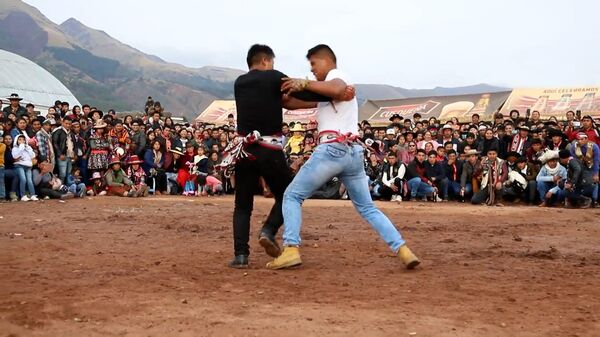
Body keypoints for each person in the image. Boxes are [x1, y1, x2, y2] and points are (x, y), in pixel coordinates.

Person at [268, 44, 419, 270]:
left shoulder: (337, 76)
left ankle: (291, 249)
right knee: (368, 208)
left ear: (326, 61)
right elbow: (292, 103)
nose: (312, 71)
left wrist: (305, 82)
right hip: (352, 153)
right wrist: (282, 91)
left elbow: (337, 89)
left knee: (292, 196)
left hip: (332, 150)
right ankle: (404, 250)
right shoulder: (326, 92)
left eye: (313, 65)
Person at [225, 44, 352, 268]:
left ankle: (241, 256)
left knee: (242, 205)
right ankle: (268, 229)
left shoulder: (239, 83)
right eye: (272, 63)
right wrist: (336, 95)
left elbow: (281, 101)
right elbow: (304, 91)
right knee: (290, 195)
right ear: (266, 61)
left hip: (244, 150)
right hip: (269, 150)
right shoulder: (274, 77)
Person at [12, 134, 37, 201]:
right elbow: (15, 156)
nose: (22, 141)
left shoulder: (27, 147)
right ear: (16, 140)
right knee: (23, 179)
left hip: (28, 166)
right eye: (20, 139)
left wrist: (28, 148)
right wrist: (21, 147)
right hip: (19, 165)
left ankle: (33, 195)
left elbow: (32, 156)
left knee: (29, 181)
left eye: (23, 139)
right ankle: (23, 195)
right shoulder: (15, 148)